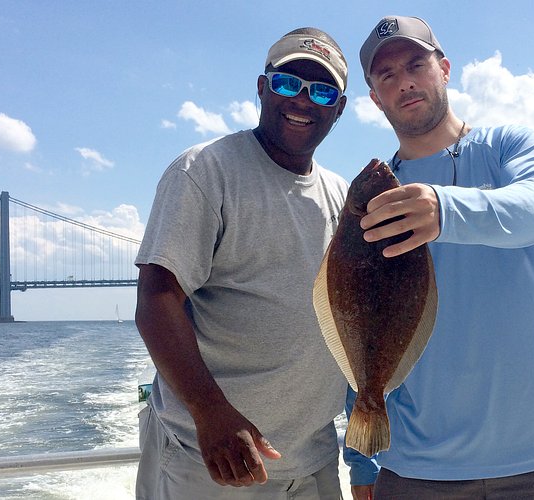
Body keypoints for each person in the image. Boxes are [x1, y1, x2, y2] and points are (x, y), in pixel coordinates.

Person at [345, 16, 534, 499]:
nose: (405, 81)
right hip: (416, 467)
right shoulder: (375, 196)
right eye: (387, 76)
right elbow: (357, 322)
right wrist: (362, 463)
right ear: (375, 98)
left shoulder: (511, 146)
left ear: (444, 69)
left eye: (416, 64)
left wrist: (443, 209)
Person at [134, 27, 350, 499]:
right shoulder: (204, 170)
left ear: (339, 107)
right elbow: (156, 297)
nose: (302, 100)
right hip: (209, 456)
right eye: (288, 83)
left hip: (313, 461)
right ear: (261, 86)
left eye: (322, 90)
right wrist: (210, 412)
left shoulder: (341, 196)